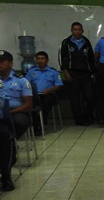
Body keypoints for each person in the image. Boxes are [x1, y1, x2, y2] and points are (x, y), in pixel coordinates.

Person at [0, 50, 33, 191]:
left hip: (15, 111)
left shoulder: (21, 80)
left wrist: (10, 112)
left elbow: (28, 104)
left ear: (10, 63)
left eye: (2, 61)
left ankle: (6, 174)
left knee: (19, 123)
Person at [60, 22, 96, 125]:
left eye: (79, 29)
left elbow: (91, 58)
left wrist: (93, 72)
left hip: (86, 74)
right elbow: (62, 59)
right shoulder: (66, 42)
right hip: (72, 73)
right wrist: (66, 72)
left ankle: (88, 117)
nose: (77, 31)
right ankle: (79, 120)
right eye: (75, 29)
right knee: (75, 99)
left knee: (90, 97)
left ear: (82, 31)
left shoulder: (86, 42)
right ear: (71, 31)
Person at [25, 51, 63, 134]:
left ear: (47, 60)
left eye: (42, 58)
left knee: (46, 102)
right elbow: (25, 84)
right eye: (38, 58)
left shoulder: (53, 72)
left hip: (49, 94)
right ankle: (36, 124)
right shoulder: (31, 71)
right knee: (31, 103)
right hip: (35, 95)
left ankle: (41, 123)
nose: (40, 60)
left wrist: (49, 90)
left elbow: (59, 85)